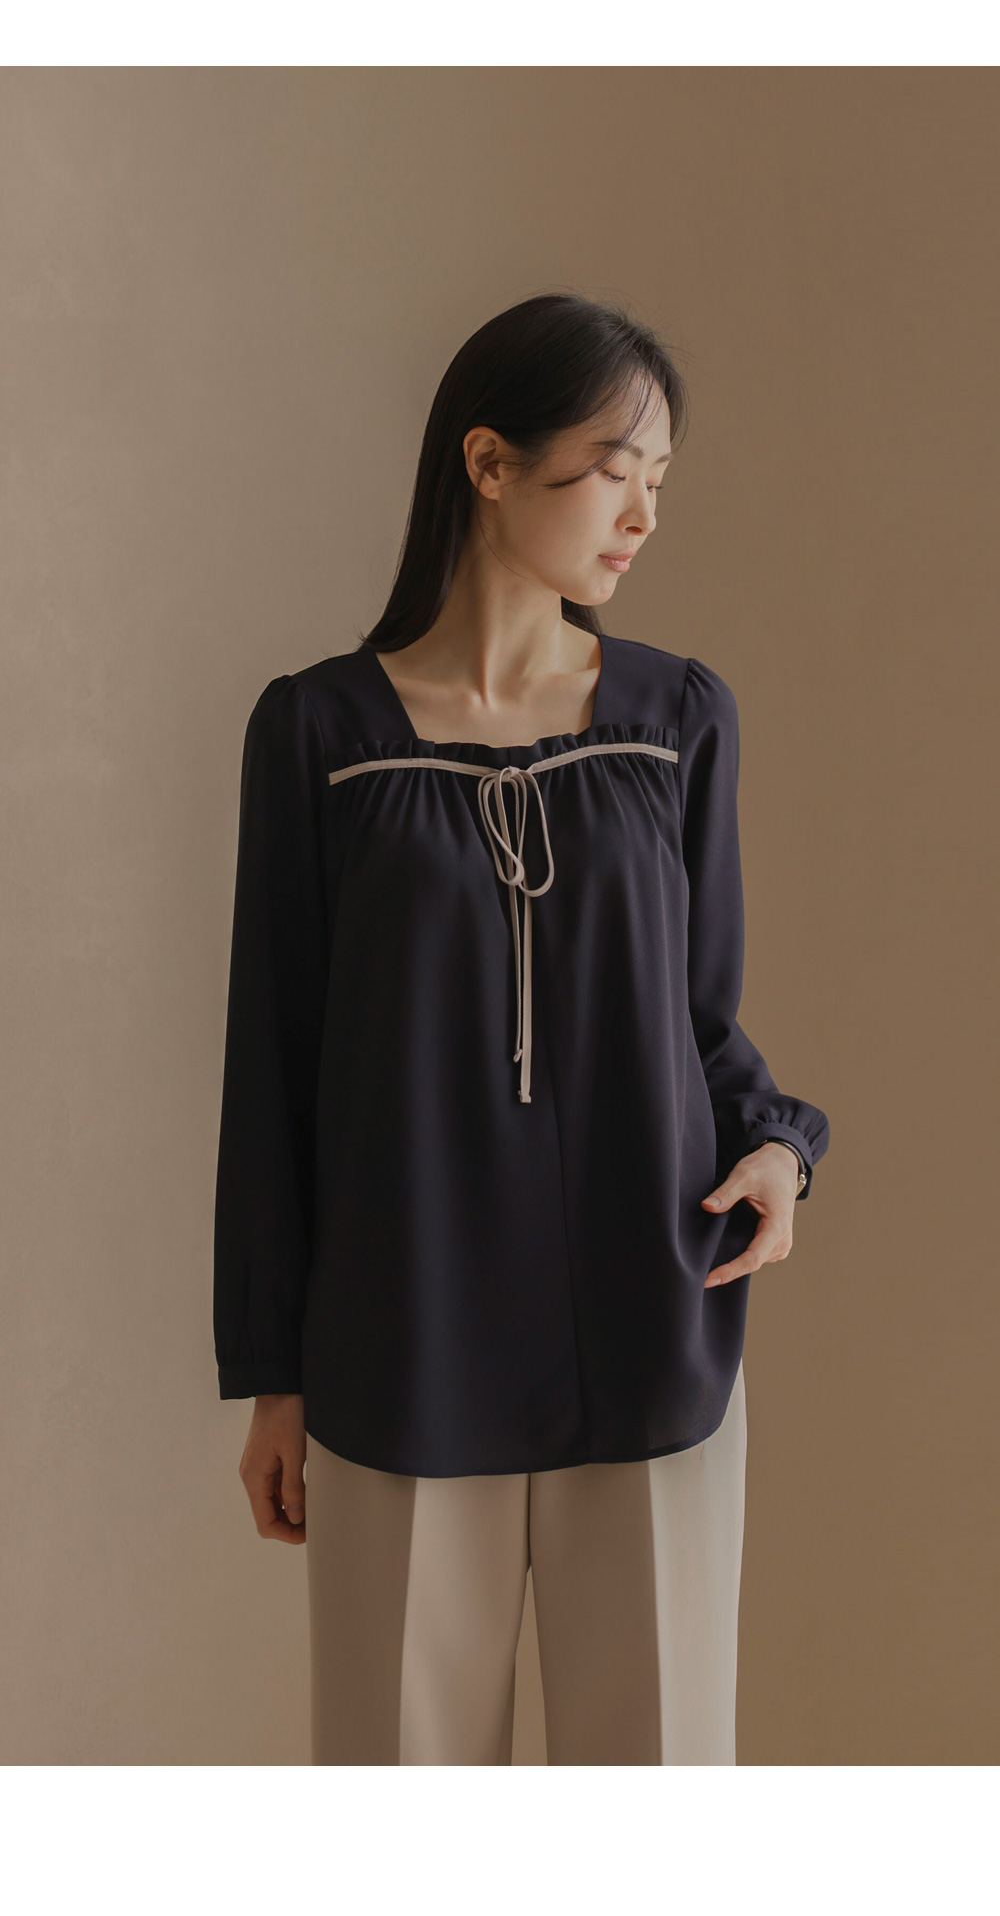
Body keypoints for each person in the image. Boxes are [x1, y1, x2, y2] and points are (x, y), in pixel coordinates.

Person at [213, 290, 830, 1765]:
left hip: (650, 1316)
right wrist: (273, 1375)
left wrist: (777, 1149)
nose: (643, 516)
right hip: (400, 1339)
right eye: (614, 471)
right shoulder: (318, 735)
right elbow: (274, 1068)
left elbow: (698, 1016)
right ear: (488, 462)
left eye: (658, 481)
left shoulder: (678, 720)